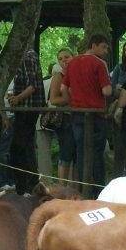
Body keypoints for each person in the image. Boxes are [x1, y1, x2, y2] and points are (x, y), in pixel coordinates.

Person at [62, 33, 113, 195]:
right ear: (94, 45)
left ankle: (82, 190)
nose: (105, 51)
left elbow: (64, 89)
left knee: (81, 151)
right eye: (104, 47)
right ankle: (98, 191)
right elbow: (106, 90)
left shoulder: (72, 63)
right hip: (96, 114)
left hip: (77, 113)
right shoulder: (100, 64)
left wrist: (71, 103)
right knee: (97, 153)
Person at [7, 49, 46, 195]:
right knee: (23, 147)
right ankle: (25, 185)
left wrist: (18, 98)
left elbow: (33, 85)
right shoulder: (25, 57)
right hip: (24, 109)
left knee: (21, 147)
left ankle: (27, 185)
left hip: (27, 109)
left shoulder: (28, 57)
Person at [48, 48, 76, 185]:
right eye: (60, 58)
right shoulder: (59, 76)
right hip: (64, 118)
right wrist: (71, 99)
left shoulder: (77, 73)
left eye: (66, 57)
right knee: (66, 152)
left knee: (76, 153)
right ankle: (62, 186)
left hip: (77, 117)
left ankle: (74, 186)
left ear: (73, 56)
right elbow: (53, 100)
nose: (64, 60)